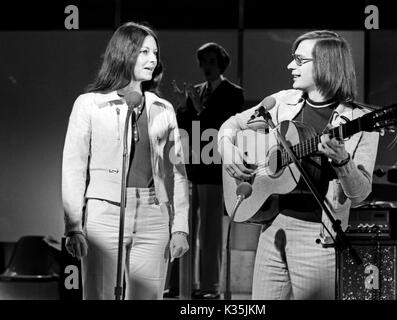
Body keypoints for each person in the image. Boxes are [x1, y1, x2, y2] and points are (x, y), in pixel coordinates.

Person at [218, 30, 379, 299]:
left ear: (326, 64)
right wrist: (226, 148)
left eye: (300, 60)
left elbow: (360, 195)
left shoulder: (360, 121)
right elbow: (232, 124)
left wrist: (343, 162)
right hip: (272, 226)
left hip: (318, 236)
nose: (290, 66)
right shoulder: (282, 102)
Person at [61, 22, 189, 300]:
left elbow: (177, 172)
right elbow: (73, 167)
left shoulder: (163, 108)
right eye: (144, 51)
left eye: (155, 52)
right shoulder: (89, 104)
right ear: (124, 52)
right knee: (99, 294)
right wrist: (73, 226)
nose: (152, 59)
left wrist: (180, 226)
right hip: (104, 212)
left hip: (154, 214)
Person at [167, 42, 244, 299]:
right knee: (183, 227)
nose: (206, 67)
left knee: (210, 232)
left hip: (213, 170)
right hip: (192, 168)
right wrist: (181, 106)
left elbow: (224, 129)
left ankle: (209, 288)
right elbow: (185, 129)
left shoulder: (233, 92)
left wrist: (199, 109)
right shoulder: (195, 91)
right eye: (203, 62)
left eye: (211, 61)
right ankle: (179, 284)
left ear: (221, 63)